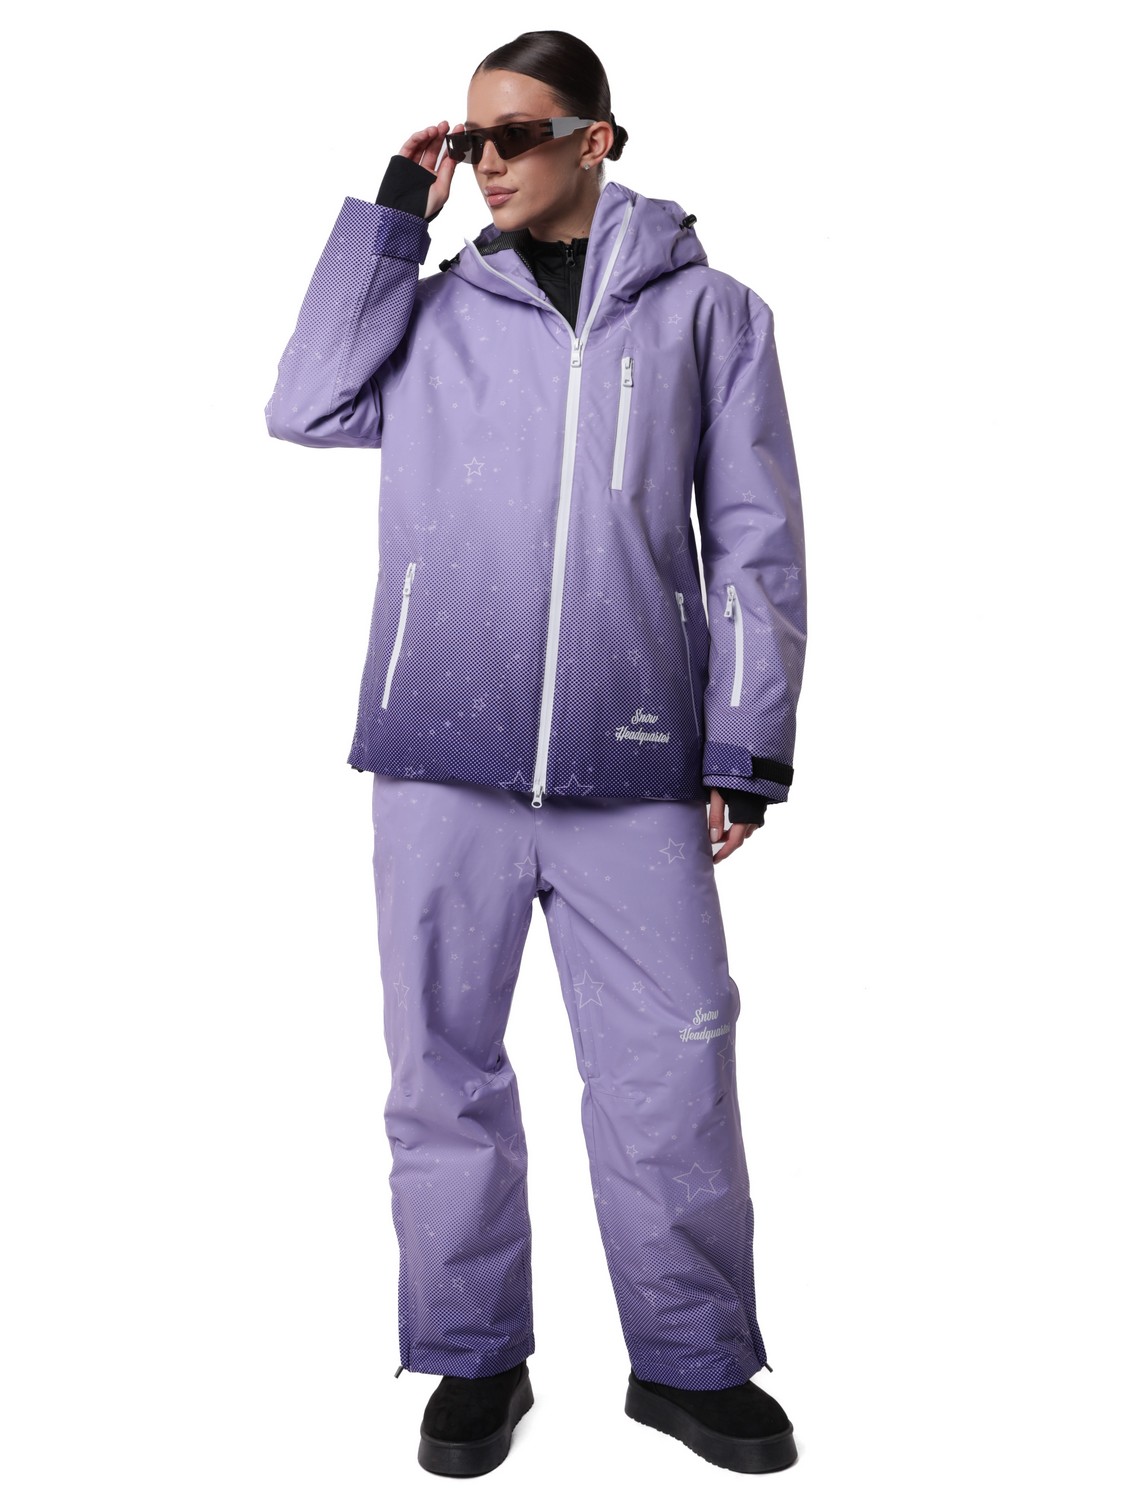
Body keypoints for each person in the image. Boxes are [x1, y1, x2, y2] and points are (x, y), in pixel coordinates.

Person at [264, 28, 806, 1479]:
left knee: (673, 1073)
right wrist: (395, 213)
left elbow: (754, 539)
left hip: (635, 762)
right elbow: (304, 404)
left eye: (514, 135)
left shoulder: (714, 317)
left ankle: (691, 1364)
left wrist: (746, 743)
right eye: (470, 138)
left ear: (596, 140)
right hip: (439, 752)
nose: (487, 161)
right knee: (439, 1073)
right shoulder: (431, 312)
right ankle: (472, 1355)